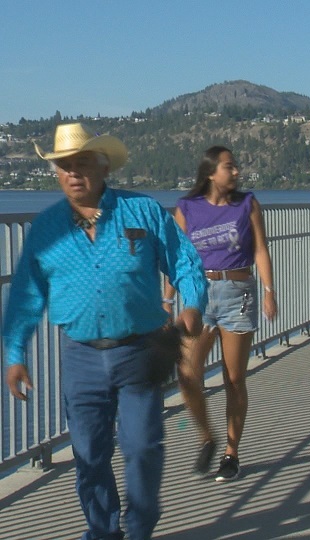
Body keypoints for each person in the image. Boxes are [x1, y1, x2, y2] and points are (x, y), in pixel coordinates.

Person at [2, 123, 207, 540]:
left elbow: (185, 261)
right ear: (56, 173)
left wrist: (193, 305)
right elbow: (25, 295)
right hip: (80, 356)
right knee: (89, 455)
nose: (73, 173)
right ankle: (102, 530)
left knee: (143, 448)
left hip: (140, 351)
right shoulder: (46, 228)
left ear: (103, 166)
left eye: (82, 164)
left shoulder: (143, 211)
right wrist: (15, 354)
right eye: (64, 166)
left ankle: (140, 526)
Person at [164, 145, 277, 482]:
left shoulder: (247, 204)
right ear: (211, 173)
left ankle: (231, 453)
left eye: (236, 165)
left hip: (237, 293)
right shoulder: (187, 208)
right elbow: (177, 256)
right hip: (199, 297)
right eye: (230, 166)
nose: (237, 171)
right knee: (187, 375)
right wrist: (167, 300)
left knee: (234, 379)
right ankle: (206, 437)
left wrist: (269, 292)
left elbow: (259, 248)